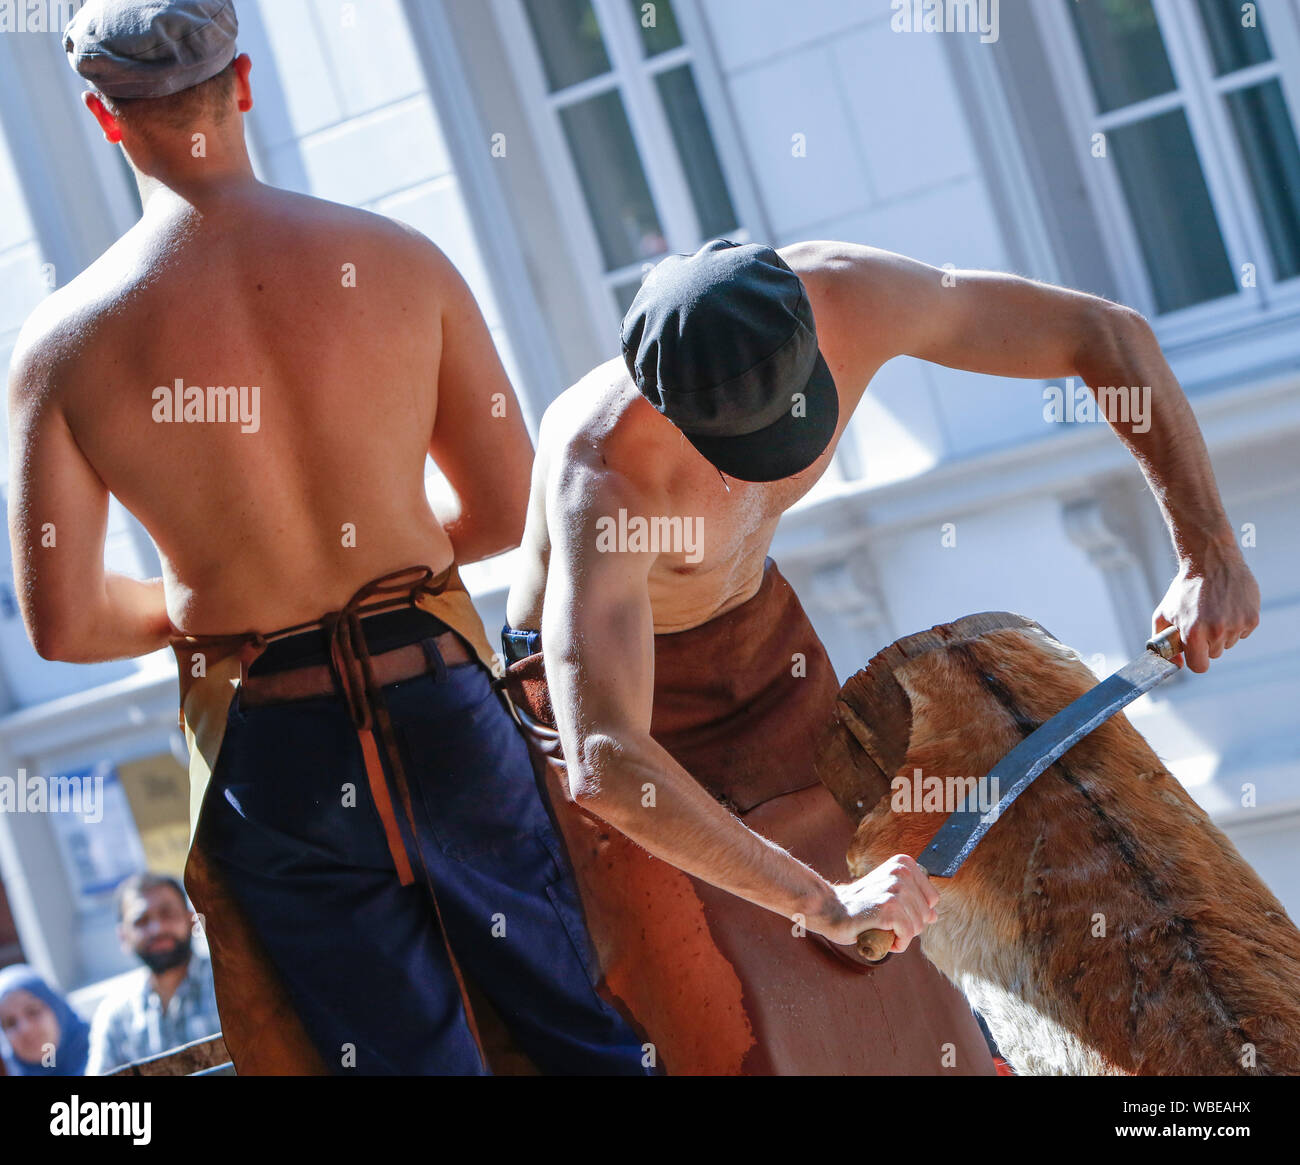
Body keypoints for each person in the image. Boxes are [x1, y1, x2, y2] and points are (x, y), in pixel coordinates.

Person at [7, 0, 646, 1075]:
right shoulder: (397, 259)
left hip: (276, 737)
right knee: (582, 1031)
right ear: (243, 84)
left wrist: (227, 596)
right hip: (436, 690)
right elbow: (498, 508)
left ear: (105, 120)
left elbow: (64, 624)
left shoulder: (64, 345)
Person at [500, 237, 1261, 1074]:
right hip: (616, 708)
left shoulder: (852, 294)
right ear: (673, 410)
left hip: (762, 642)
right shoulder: (602, 471)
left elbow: (1103, 333)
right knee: (727, 1016)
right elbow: (606, 757)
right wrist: (821, 901)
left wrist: (1209, 550)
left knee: (903, 994)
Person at [85, 873, 221, 1075]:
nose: (157, 928)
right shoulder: (116, 1016)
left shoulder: (232, 985)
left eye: (168, 914)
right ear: (123, 935)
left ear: (192, 920)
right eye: (141, 921)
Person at [0, 964, 91, 1076]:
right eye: (10, 1023)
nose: (25, 1029)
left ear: (56, 1009)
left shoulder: (111, 1056)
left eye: (32, 1011)